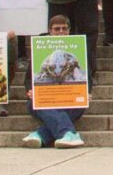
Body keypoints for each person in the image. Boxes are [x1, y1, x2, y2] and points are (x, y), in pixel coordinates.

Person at [22, 15, 86, 148]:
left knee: (79, 104)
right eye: (57, 29)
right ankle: (68, 133)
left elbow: (85, 75)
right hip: (45, 97)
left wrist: (87, 92)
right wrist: (30, 91)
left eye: (64, 28)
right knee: (36, 102)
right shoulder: (40, 48)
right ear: (50, 31)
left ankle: (40, 135)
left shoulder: (78, 48)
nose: (61, 32)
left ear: (69, 30)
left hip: (71, 99)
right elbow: (29, 78)